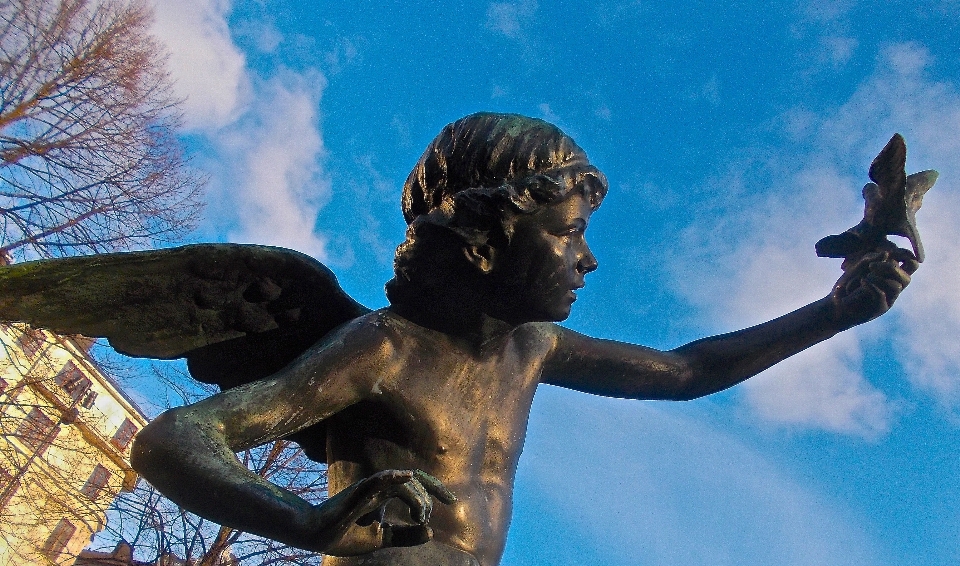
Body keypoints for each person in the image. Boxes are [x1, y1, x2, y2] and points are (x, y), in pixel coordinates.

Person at [131, 113, 917, 566]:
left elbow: (684, 370)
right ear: (484, 236)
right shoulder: (383, 349)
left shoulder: (529, 349)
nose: (588, 257)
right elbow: (174, 439)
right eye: (568, 233)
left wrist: (834, 312)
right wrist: (303, 521)